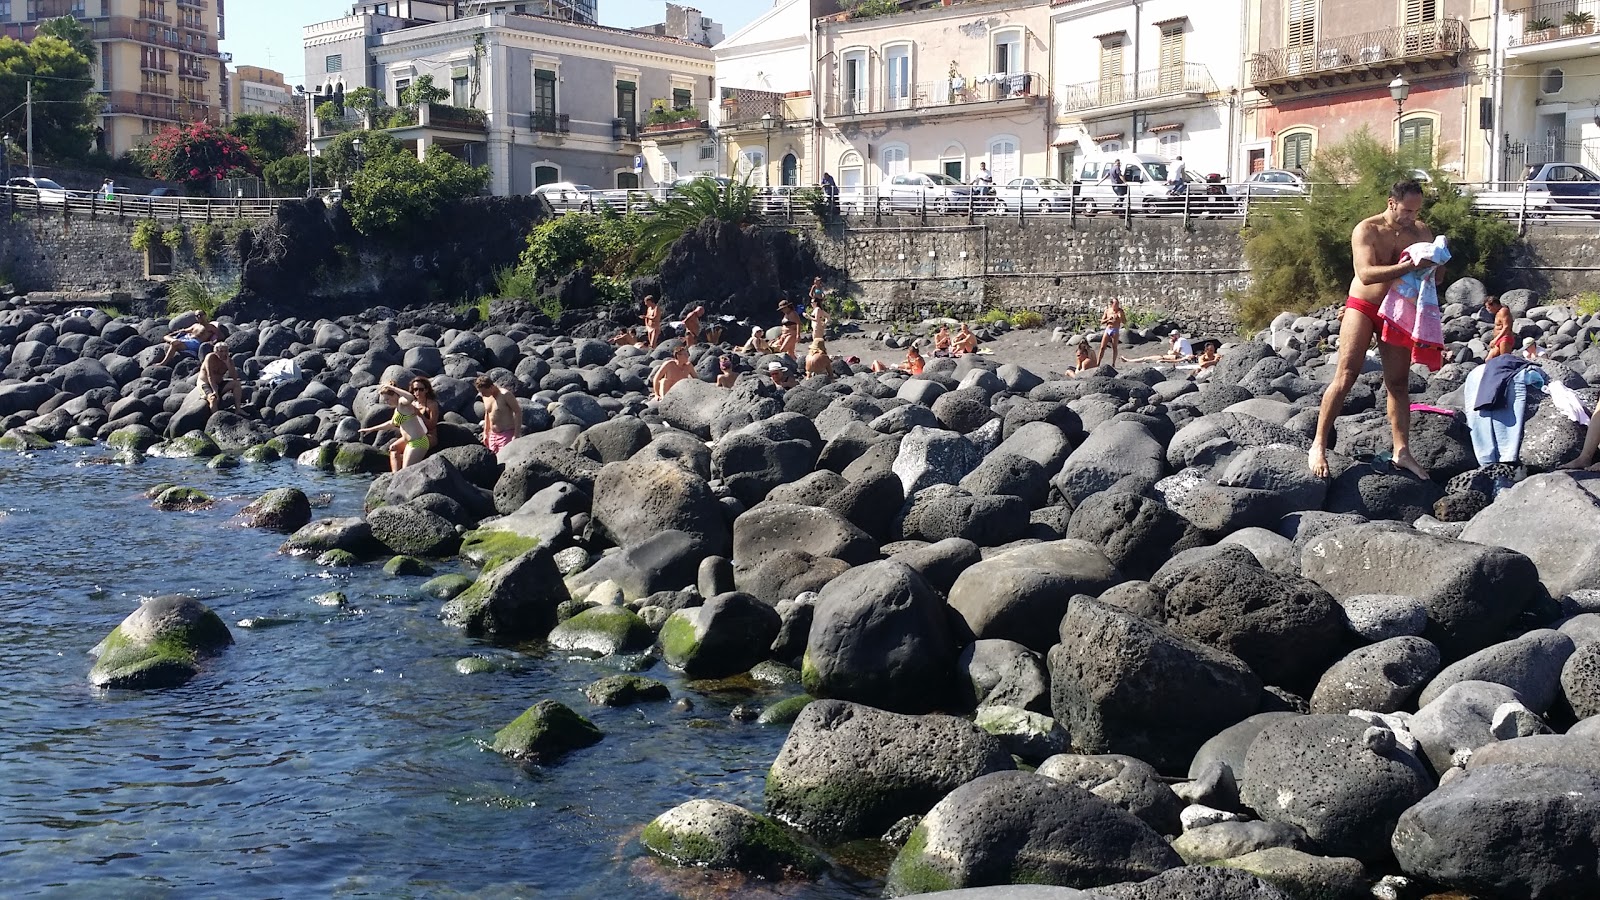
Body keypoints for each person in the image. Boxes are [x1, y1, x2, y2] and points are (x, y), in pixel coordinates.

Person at [1308, 179, 1436, 480]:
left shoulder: (1420, 231)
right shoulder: (1367, 229)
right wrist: (1409, 267)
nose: (1411, 217)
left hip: (1397, 309)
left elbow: (1436, 276)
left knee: (1399, 383)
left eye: (1416, 211)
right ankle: (1319, 444)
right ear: (1391, 203)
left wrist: (1438, 261)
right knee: (1346, 375)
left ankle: (1402, 451)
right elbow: (1365, 274)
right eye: (1406, 210)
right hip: (1363, 305)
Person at [359, 383, 430, 472]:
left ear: (395, 395)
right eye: (385, 400)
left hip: (418, 442)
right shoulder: (397, 409)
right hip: (409, 442)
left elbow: (411, 397)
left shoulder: (402, 403)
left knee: (406, 471)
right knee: (393, 448)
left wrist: (392, 388)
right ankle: (395, 474)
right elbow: (391, 423)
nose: (386, 402)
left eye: (388, 399)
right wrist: (371, 429)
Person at [475, 374, 522, 453]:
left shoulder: (505, 395)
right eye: (480, 392)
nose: (482, 395)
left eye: (484, 392)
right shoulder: (485, 396)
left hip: (506, 434)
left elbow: (518, 412)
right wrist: (485, 433)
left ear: (491, 387)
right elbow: (488, 413)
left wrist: (516, 434)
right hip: (492, 435)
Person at [156, 310, 220, 367]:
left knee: (174, 344)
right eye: (197, 316)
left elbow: (220, 335)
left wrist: (212, 342)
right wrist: (173, 333)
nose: (199, 317)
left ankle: (163, 363)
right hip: (186, 338)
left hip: (195, 342)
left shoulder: (210, 327)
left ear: (205, 316)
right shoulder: (195, 325)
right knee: (166, 337)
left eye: (201, 315)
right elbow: (184, 330)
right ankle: (174, 340)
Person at [407, 377, 442, 466]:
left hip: (429, 435)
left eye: (420, 389)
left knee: (414, 446)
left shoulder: (432, 405)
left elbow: (432, 425)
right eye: (415, 389)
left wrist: (420, 414)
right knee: (393, 448)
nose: (417, 392)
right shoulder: (412, 404)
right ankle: (394, 475)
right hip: (414, 434)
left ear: (426, 390)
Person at [197, 342, 242, 412]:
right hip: (206, 383)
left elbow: (235, 377)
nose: (224, 354)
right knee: (213, 399)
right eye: (221, 351)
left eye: (226, 351)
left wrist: (228, 364)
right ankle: (215, 417)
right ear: (215, 351)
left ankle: (238, 409)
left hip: (219, 383)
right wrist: (215, 391)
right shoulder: (210, 358)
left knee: (237, 384)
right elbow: (210, 375)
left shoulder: (229, 360)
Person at [1484, 295, 1514, 360]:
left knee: (1504, 360)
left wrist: (1495, 339)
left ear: (1494, 304)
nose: (1488, 309)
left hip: (1505, 338)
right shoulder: (1498, 312)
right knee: (1488, 360)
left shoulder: (1504, 311)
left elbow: (1506, 327)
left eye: (1489, 307)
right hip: (1499, 339)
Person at [1098, 299, 1125, 367]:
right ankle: (1098, 363)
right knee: (1102, 347)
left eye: (1118, 304)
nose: (1117, 306)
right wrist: (1108, 319)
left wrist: (1121, 317)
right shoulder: (1108, 310)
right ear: (1112, 304)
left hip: (1115, 329)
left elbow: (1125, 322)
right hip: (1108, 329)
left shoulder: (1120, 311)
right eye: (1115, 304)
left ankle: (1113, 363)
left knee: (1114, 347)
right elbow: (1102, 322)